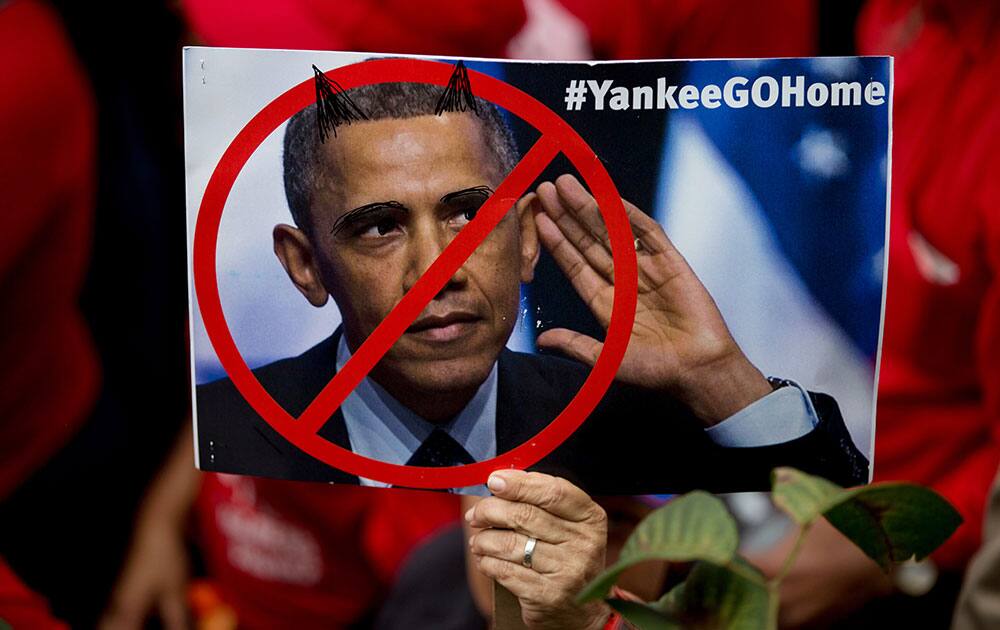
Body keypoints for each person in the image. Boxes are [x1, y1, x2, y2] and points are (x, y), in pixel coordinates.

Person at [195, 77, 868, 495]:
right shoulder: (229, 430)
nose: (439, 267)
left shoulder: (620, 421)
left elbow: (859, 542)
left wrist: (721, 376)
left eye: (469, 216)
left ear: (524, 240)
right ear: (306, 266)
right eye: (380, 227)